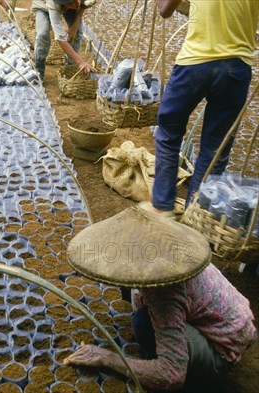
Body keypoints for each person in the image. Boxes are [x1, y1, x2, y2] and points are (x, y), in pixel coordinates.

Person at [65, 206, 257, 392]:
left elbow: (172, 374)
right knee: (138, 305)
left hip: (222, 346)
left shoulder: (164, 293)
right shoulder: (177, 252)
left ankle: (195, 371)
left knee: (143, 322)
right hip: (236, 321)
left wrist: (109, 358)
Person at [149, 0, 258, 215]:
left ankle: (162, 207)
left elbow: (165, 10)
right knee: (215, 149)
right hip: (236, 68)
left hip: (194, 62)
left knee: (169, 133)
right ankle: (195, 213)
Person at [31, 0, 95, 81]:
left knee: (77, 32)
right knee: (42, 34)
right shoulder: (54, 5)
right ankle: (39, 67)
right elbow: (61, 39)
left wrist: (74, 27)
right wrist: (80, 62)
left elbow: (82, 5)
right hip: (43, 5)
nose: (77, 3)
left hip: (67, 6)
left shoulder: (76, 3)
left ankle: (70, 67)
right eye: (72, 2)